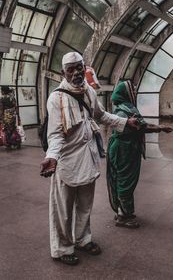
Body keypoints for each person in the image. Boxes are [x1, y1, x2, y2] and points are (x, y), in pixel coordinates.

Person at [40, 52, 139, 265]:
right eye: (71, 69)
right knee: (64, 210)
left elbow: (101, 116)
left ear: (83, 66)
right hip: (65, 162)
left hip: (89, 159)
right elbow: (55, 135)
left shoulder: (88, 91)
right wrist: (51, 157)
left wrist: (124, 122)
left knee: (85, 205)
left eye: (79, 67)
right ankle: (63, 248)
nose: (76, 72)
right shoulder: (56, 98)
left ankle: (83, 239)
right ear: (62, 72)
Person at [106, 80, 173, 229]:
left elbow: (140, 126)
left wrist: (159, 128)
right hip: (124, 149)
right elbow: (140, 127)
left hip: (125, 147)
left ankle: (122, 211)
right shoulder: (124, 110)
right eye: (133, 90)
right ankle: (123, 217)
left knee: (122, 179)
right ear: (125, 93)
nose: (135, 92)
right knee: (125, 181)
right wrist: (159, 128)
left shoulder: (126, 107)